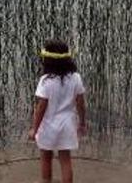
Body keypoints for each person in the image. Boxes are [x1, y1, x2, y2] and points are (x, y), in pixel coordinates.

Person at [27, 39, 87, 183]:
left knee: (46, 158)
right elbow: (80, 103)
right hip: (67, 126)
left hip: (48, 126)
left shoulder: (45, 81)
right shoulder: (75, 78)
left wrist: (34, 129)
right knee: (65, 160)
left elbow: (41, 108)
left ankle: (46, 181)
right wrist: (82, 123)